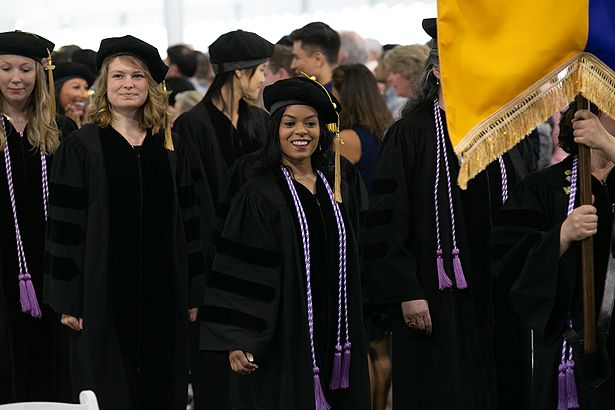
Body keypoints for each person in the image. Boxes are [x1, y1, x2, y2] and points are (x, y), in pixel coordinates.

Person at [362, 18, 532, 410]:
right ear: (437, 69)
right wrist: (407, 291)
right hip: (435, 297)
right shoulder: (410, 135)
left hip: (500, 294)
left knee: (503, 385)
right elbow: (388, 219)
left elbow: (526, 209)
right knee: (445, 390)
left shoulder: (503, 131)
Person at [44, 34, 206, 410]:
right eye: (118, 76)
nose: (127, 85)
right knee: (108, 389)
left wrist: (194, 291)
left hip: (165, 291)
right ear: (104, 84)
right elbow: (65, 224)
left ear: (151, 86)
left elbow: (191, 220)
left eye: (137, 76)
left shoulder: (170, 145)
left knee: (163, 386)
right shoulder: (83, 146)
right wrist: (68, 299)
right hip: (101, 292)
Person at [199, 75, 370, 410]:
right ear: (274, 129)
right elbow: (238, 269)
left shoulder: (339, 183)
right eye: (289, 123)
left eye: (310, 123)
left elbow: (361, 253)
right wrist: (238, 339)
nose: (300, 132)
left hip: (339, 330)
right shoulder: (258, 192)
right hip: (282, 334)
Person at [172, 29, 274, 410]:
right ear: (238, 72)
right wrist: (197, 286)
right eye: (260, 70)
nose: (264, 78)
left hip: (258, 265)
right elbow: (190, 208)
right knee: (215, 381)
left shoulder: (262, 123)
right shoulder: (191, 127)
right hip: (212, 272)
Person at [491, 105, 615, 410]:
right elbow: (509, 261)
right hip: (571, 344)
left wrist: (610, 146)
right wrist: (561, 236)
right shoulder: (543, 187)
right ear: (587, 118)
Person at [0, 30, 74, 404]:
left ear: (40, 73)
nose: (17, 78)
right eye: (6, 68)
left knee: (54, 366)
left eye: (26, 69)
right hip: (1, 271)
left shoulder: (61, 132)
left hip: (52, 270)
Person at [331, 63, 392, 188]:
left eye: (332, 96)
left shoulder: (346, 139)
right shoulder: (385, 128)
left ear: (342, 97)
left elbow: (336, 190)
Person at [290, 22, 340, 91]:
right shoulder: (351, 93)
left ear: (318, 59)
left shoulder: (322, 99)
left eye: (297, 57)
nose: (292, 65)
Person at [53, 61, 95, 128]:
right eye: (76, 87)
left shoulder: (93, 123)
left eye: (86, 88)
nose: (84, 95)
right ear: (57, 90)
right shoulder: (44, 123)